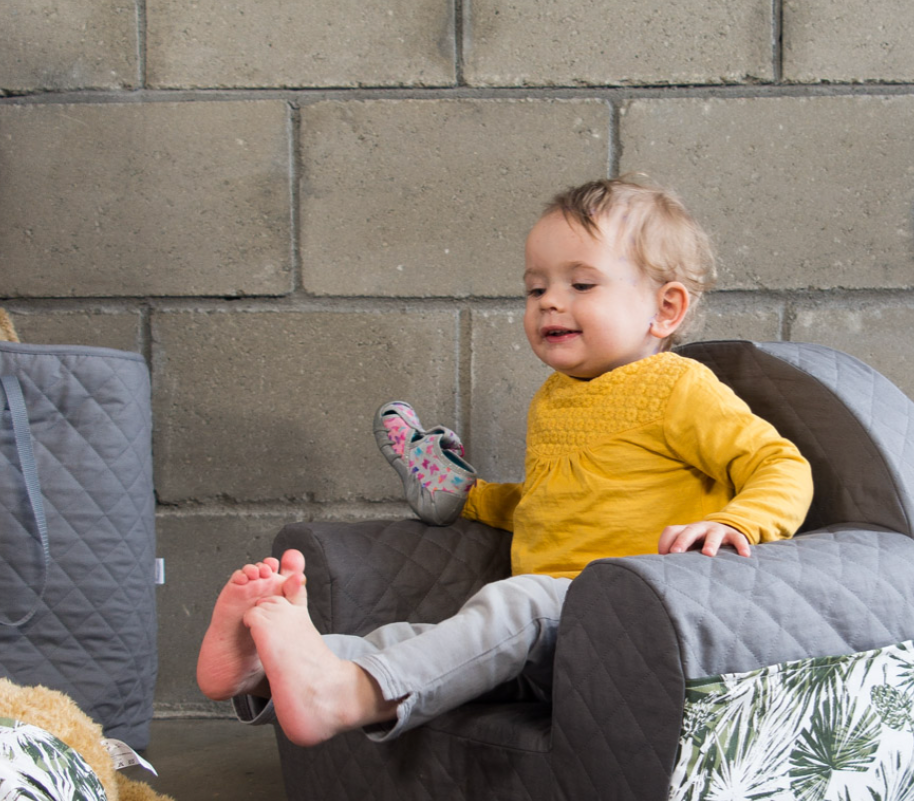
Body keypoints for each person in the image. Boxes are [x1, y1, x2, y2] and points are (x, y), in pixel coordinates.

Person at [196, 177, 813, 747]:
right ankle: (261, 671)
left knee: (514, 605)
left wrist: (734, 523)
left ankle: (343, 697)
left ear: (666, 309)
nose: (550, 303)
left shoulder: (678, 387)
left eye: (581, 285)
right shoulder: (554, 398)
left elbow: (781, 464)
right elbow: (549, 503)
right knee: (432, 640)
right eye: (536, 288)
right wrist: (473, 497)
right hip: (546, 634)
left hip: (625, 622)